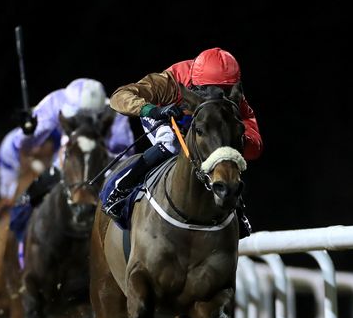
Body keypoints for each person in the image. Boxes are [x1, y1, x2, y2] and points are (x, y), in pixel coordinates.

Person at [102, 47, 263, 236]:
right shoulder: (172, 80)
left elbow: (255, 147)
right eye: (207, 90)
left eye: (223, 91)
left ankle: (237, 207)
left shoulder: (236, 99)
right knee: (171, 143)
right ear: (195, 82)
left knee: (222, 147)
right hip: (163, 115)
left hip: (200, 123)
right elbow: (118, 97)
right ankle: (121, 188)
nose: (215, 96)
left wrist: (233, 137)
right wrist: (152, 110)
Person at [0, 78, 134, 211]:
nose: (76, 121)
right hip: (64, 160)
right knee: (25, 203)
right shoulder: (57, 101)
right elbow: (26, 146)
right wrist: (27, 132)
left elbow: (123, 159)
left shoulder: (115, 114)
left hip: (99, 167)